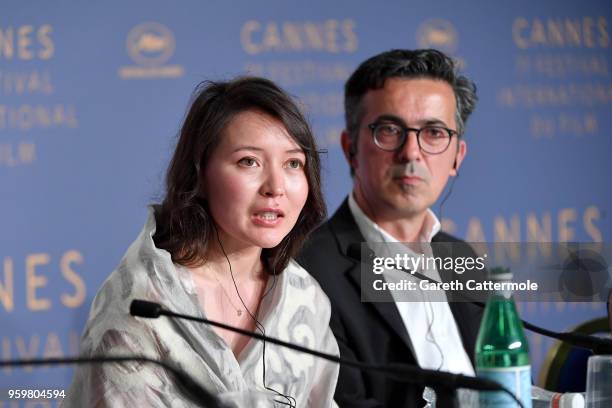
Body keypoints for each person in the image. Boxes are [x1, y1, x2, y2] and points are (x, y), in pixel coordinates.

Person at [66, 77, 339, 407]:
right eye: (248, 161)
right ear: (200, 174)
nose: (275, 187)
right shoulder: (140, 303)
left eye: (293, 163)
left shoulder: (304, 296)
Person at [297, 49, 483, 407]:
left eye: (433, 132)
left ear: (457, 156)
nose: (411, 152)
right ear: (350, 149)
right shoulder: (310, 271)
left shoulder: (463, 257)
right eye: (390, 130)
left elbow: (514, 384)